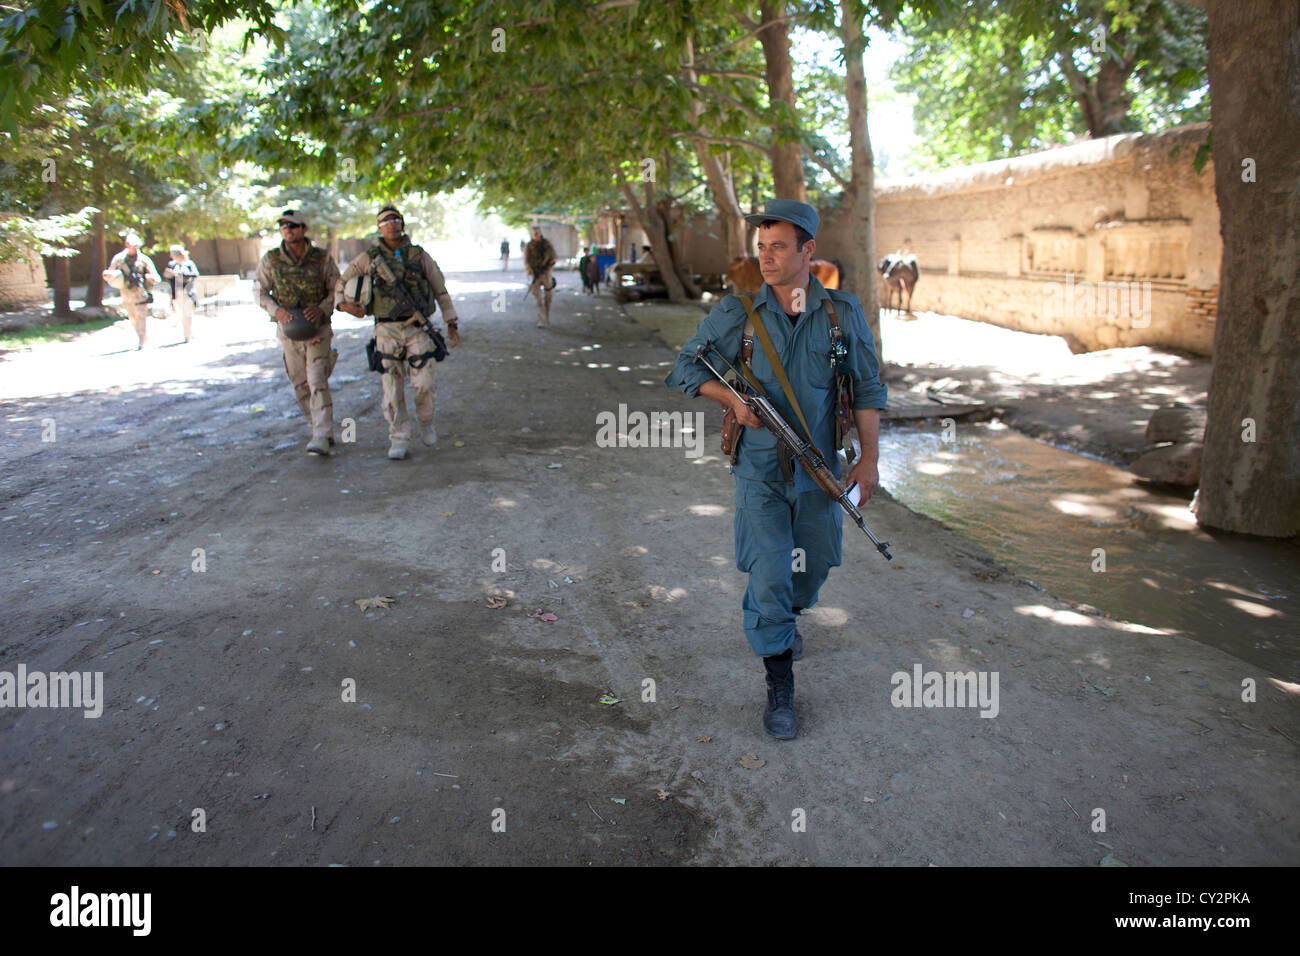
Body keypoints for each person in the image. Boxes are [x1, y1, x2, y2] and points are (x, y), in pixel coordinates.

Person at [664, 199, 887, 740]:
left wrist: (870, 461)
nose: (766, 257)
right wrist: (732, 402)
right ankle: (780, 681)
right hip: (759, 470)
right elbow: (683, 369)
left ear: (808, 249)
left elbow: (867, 388)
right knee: (770, 570)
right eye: (761, 247)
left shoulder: (841, 313)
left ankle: (785, 619)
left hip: (820, 469)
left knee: (811, 569)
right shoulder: (735, 313)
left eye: (778, 246)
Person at [336, 204, 461, 460]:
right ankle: (399, 437)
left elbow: (440, 290)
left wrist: (451, 323)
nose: (392, 224)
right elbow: (341, 283)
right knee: (391, 387)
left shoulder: (418, 255)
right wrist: (343, 305)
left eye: (396, 219)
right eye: (386, 221)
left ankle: (426, 420)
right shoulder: (368, 258)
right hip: (385, 329)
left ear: (402, 224)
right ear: (379, 228)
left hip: (417, 328)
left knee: (424, 383)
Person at [254, 209, 340, 456]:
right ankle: (319, 427)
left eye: (292, 226)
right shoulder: (271, 260)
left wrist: (322, 308)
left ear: (304, 229)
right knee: (300, 384)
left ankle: (321, 435)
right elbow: (259, 292)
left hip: (318, 329)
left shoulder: (321, 259)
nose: (288, 230)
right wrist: (276, 309)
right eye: (283, 226)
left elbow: (338, 289)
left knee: (316, 380)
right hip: (288, 331)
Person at [104, 233, 161, 350]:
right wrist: (107, 276)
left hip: (140, 292)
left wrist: (151, 278)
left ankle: (142, 340)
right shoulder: (119, 259)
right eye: (133, 246)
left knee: (141, 315)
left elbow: (156, 276)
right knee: (132, 316)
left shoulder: (144, 259)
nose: (135, 249)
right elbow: (110, 274)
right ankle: (141, 336)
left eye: (137, 247)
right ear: (126, 245)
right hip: (126, 292)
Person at [163, 244, 200, 342]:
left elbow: (195, 274)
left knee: (188, 313)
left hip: (187, 292)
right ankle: (187, 332)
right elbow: (167, 278)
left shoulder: (189, 264)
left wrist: (182, 274)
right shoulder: (172, 265)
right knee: (180, 314)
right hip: (176, 292)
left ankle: (188, 334)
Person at [524, 225, 557, 327]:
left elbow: (553, 256)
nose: (536, 235)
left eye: (537, 233)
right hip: (535, 273)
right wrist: (530, 270)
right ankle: (541, 319)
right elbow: (526, 260)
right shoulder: (529, 246)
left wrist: (550, 264)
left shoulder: (547, 244)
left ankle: (546, 316)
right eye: (534, 234)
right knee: (538, 298)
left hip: (546, 273)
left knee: (548, 296)